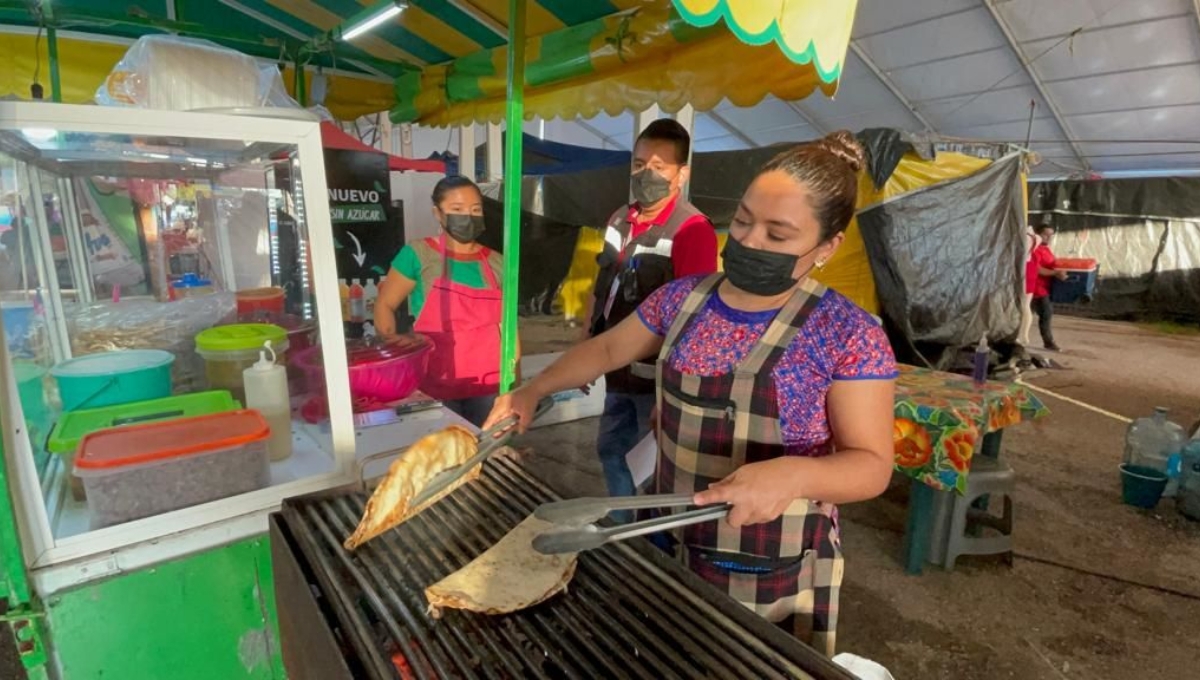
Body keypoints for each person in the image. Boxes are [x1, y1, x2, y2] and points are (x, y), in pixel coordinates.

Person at [486, 132, 897, 656]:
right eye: (744, 221)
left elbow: (871, 465)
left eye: (779, 234)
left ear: (827, 247)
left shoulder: (848, 333)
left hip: (768, 561)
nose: (750, 242)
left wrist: (796, 473)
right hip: (670, 534)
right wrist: (534, 388)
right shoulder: (683, 298)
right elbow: (609, 349)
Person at [588, 118, 718, 509]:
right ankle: (624, 529)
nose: (647, 173)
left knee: (657, 469)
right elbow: (602, 288)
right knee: (611, 450)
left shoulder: (692, 230)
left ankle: (650, 539)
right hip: (617, 370)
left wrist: (671, 394)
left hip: (656, 380)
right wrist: (586, 350)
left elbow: (694, 320)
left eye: (659, 166)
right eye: (640, 163)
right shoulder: (619, 220)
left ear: (682, 174)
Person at [374, 176, 515, 426]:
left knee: (486, 453)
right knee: (444, 456)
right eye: (457, 210)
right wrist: (392, 343)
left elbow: (509, 326)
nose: (468, 217)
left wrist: (514, 382)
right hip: (435, 381)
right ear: (438, 214)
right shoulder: (419, 254)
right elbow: (385, 304)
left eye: (475, 209)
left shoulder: (497, 261)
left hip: (489, 383)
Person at [1030, 223, 1068, 351]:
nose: (1048, 238)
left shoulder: (1046, 249)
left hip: (1045, 287)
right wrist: (1055, 273)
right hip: (1036, 288)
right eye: (1045, 234)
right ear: (1038, 234)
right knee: (1046, 313)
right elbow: (1037, 269)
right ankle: (1048, 341)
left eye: (1051, 235)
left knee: (1039, 314)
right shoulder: (1035, 249)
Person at [1016, 226, 1040, 349]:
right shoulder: (1036, 237)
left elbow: (1021, 254)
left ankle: (1023, 335)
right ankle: (1023, 335)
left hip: (1024, 270)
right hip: (1029, 269)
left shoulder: (1025, 236)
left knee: (1024, 306)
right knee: (1025, 305)